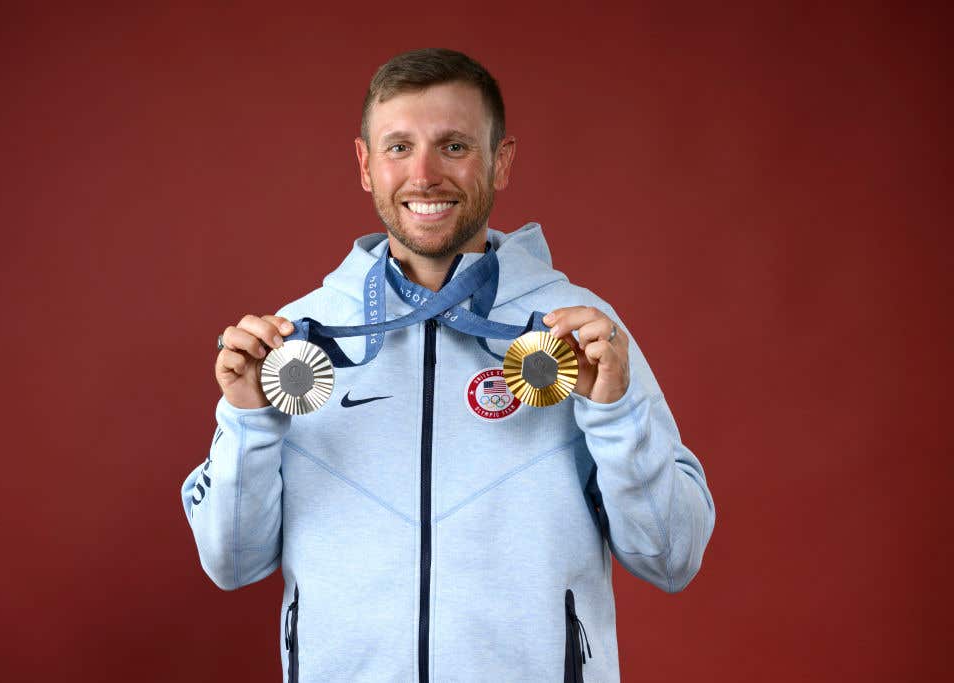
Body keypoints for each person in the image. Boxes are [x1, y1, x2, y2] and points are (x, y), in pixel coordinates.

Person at [181, 47, 715, 682]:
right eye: (399, 147)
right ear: (364, 164)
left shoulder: (584, 332)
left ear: (501, 161)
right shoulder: (297, 339)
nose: (425, 173)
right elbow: (231, 563)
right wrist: (247, 423)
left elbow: (672, 556)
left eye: (455, 146)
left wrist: (616, 415)